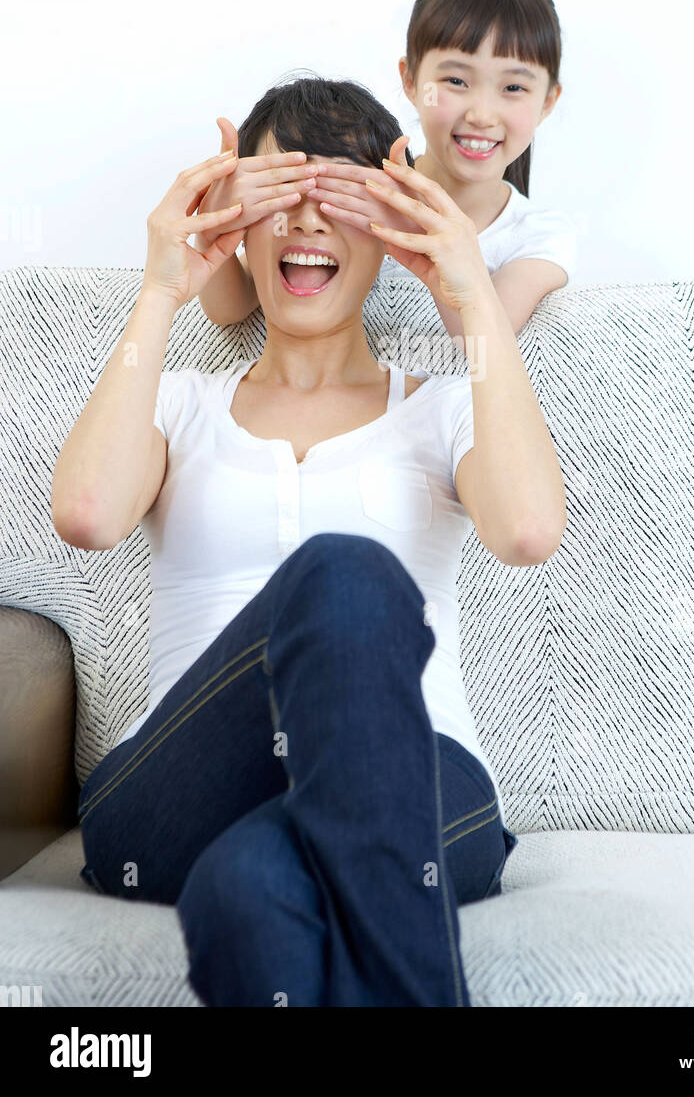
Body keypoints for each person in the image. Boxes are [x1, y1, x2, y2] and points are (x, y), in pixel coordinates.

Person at [53, 77, 567, 1007]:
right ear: (236, 227)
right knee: (340, 575)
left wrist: (472, 292)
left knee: (250, 890)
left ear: (392, 229)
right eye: (279, 199)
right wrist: (164, 284)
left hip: (420, 774)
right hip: (177, 787)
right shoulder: (178, 405)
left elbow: (528, 530)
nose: (306, 226)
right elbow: (87, 514)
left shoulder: (444, 410)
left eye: (337, 201)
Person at [195, 0, 580, 345]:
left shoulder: (539, 236)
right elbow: (230, 308)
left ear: (548, 101)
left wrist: (418, 230)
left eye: (513, 86)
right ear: (410, 80)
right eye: (456, 81)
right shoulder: (363, 181)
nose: (480, 114)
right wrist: (215, 229)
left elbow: (475, 335)